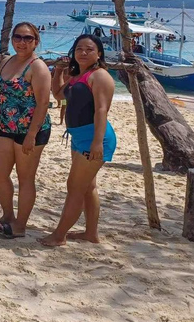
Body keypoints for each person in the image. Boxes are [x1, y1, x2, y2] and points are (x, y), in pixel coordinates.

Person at [39, 34, 117, 247]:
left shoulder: (99, 76)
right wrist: (58, 73)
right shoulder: (78, 76)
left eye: (89, 49)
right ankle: (91, 234)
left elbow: (102, 110)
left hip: (94, 137)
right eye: (79, 49)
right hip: (79, 137)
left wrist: (97, 143)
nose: (83, 52)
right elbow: (58, 95)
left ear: (99, 53)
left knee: (74, 187)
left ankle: (59, 235)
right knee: (87, 186)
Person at [0, 22, 51, 238]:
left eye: (28, 38)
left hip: (31, 130)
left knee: (25, 178)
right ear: (12, 39)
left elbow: (42, 104)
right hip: (7, 127)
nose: (22, 42)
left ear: (36, 42)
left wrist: (31, 134)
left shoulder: (37, 67)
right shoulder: (5, 62)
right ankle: (8, 216)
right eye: (18, 37)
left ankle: (20, 225)